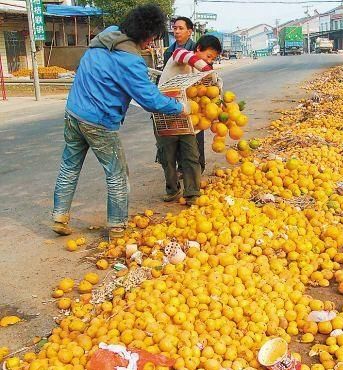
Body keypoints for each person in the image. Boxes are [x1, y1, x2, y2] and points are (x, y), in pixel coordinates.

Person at [51, 4, 184, 239]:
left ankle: (59, 216)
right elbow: (150, 100)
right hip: (99, 121)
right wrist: (180, 107)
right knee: (117, 174)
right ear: (145, 33)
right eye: (151, 38)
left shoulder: (107, 36)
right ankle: (117, 227)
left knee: (69, 165)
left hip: (73, 112)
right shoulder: (129, 61)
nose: (151, 43)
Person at [156, 35, 222, 205]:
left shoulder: (198, 71)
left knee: (191, 154)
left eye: (213, 59)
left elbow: (210, 87)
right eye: (208, 56)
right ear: (198, 48)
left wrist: (215, 81)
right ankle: (172, 190)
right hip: (165, 114)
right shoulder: (180, 56)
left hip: (186, 116)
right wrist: (206, 68)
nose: (209, 61)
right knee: (167, 156)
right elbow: (182, 55)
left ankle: (192, 193)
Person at [160, 17, 206, 174]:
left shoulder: (196, 49)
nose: (176, 31)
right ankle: (182, 169)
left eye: (180, 28)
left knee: (195, 135)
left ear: (190, 31)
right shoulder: (169, 51)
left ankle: (198, 168)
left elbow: (204, 70)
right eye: (175, 28)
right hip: (175, 99)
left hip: (193, 98)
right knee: (177, 133)